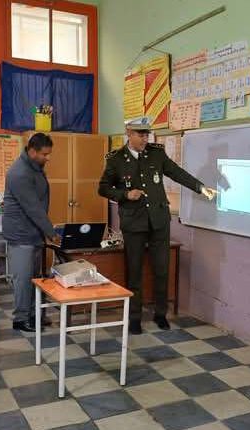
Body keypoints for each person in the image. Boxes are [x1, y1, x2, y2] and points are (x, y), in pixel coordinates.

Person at [98, 117, 216, 334]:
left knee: (162, 269)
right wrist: (125, 194)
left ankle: (160, 314)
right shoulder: (116, 159)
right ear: (129, 133)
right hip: (134, 222)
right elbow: (103, 188)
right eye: (140, 135)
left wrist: (200, 187)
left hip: (159, 221)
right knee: (134, 271)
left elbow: (177, 173)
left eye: (147, 135)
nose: (145, 139)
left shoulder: (156, 154)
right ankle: (134, 317)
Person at [3, 133, 58, 332]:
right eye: (44, 154)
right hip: (21, 234)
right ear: (32, 151)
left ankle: (35, 314)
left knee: (36, 277)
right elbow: (33, 207)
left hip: (33, 232)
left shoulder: (34, 166)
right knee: (23, 279)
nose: (48, 158)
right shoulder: (20, 173)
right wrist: (51, 232)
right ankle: (21, 319)